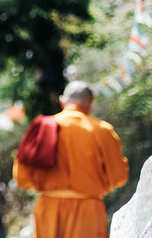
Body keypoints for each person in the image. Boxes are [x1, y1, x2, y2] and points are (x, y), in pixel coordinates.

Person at [13, 81, 129, 238]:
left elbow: (21, 178)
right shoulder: (102, 130)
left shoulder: (42, 127)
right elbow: (119, 177)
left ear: (62, 101)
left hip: (49, 210)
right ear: (90, 103)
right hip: (88, 211)